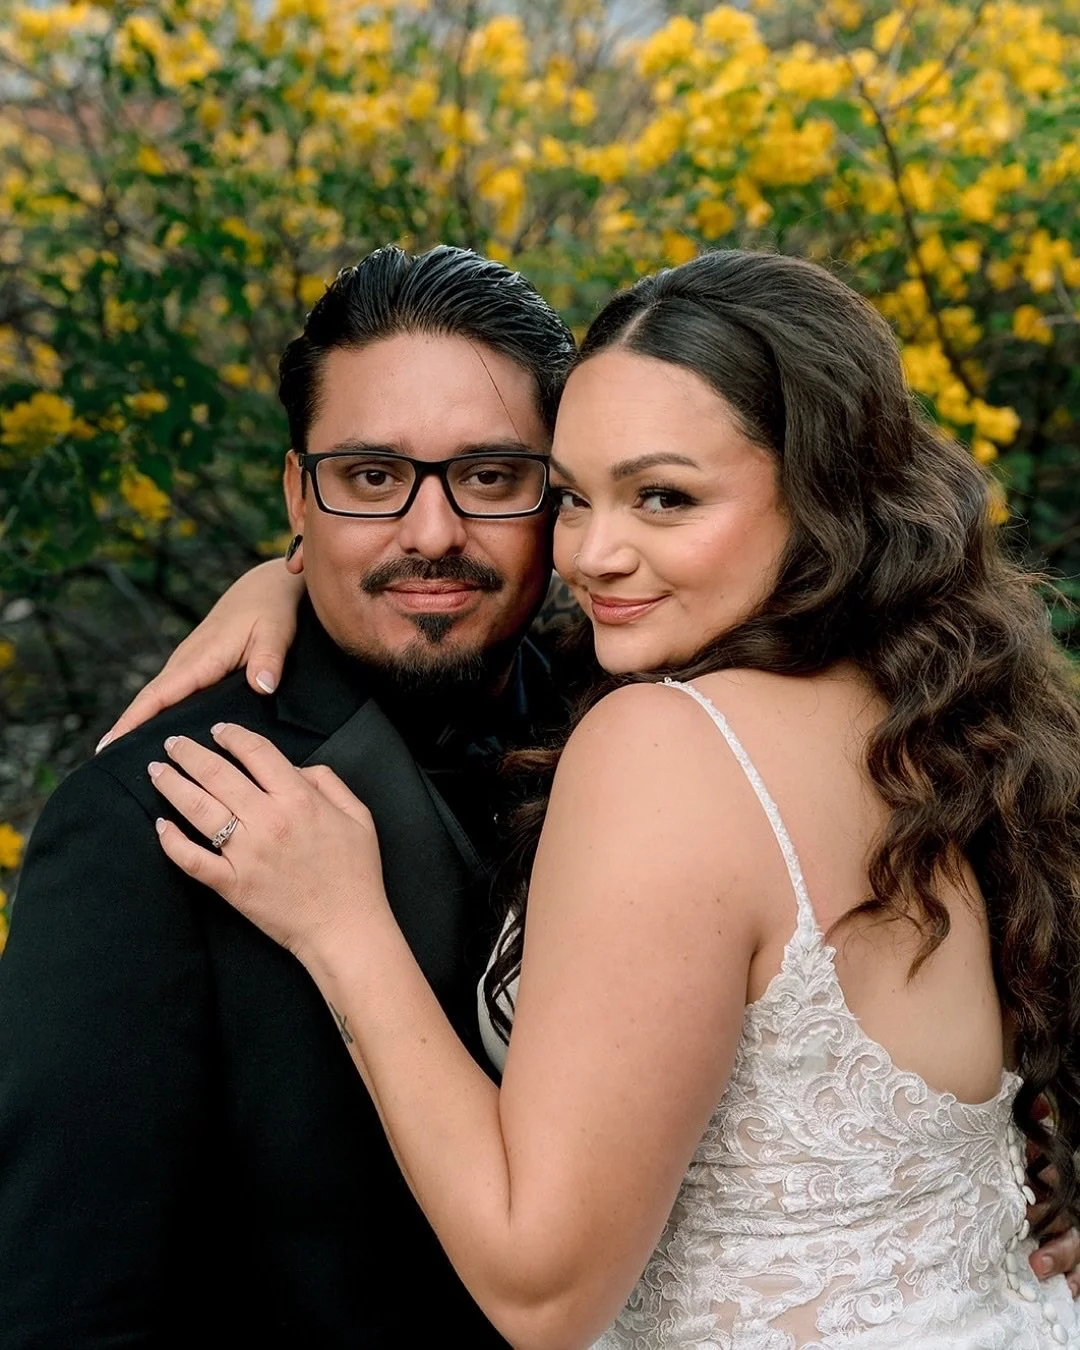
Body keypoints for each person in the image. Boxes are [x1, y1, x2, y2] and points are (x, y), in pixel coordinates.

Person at [139, 249, 1080, 1348]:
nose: (592, 554)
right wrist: (291, 575)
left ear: (825, 491)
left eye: (664, 497)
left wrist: (345, 927)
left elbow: (543, 1293)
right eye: (573, 497)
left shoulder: (668, 747)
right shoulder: (948, 721)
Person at [0, 244, 576, 1349]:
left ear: (562, 496)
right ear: (295, 499)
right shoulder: (142, 818)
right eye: (370, 477)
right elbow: (67, 1310)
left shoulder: (643, 737)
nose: (432, 531)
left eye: (491, 477)